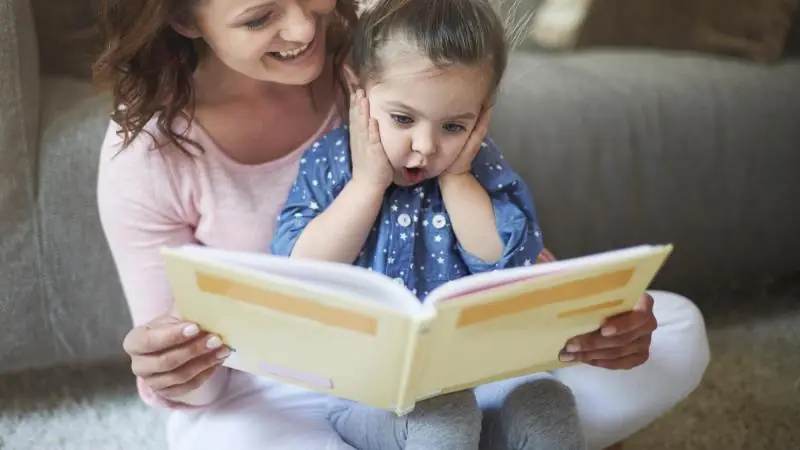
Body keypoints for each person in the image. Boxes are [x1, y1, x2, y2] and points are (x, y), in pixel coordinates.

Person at [92, 0, 711, 449]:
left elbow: (496, 246)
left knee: (676, 327)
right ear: (179, 17)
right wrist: (175, 366)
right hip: (294, 388)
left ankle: (473, 432)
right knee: (220, 438)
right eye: (259, 17)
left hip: (462, 363)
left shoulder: (388, 47)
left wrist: (586, 319)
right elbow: (198, 377)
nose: (306, 25)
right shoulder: (147, 159)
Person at [270, 0, 585, 449]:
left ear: (482, 114)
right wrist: (366, 185)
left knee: (545, 398)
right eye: (402, 119)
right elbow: (300, 270)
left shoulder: (477, 167)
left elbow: (505, 260)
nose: (424, 146)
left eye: (454, 126)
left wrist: (458, 178)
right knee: (441, 410)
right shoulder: (331, 163)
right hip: (366, 390)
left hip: (481, 371)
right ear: (356, 88)